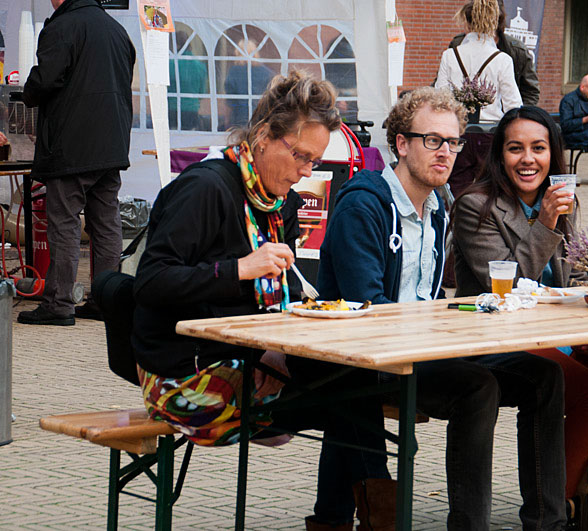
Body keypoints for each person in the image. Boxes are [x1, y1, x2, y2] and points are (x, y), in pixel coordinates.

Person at [132, 71, 392, 530]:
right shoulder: (206, 188)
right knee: (351, 395)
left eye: (314, 160)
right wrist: (239, 269)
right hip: (185, 379)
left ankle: (350, 519)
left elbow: (268, 305)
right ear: (264, 135)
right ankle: (374, 518)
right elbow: (150, 282)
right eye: (302, 156)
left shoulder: (278, 205)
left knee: (354, 384)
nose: (307, 172)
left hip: (244, 361)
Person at [318, 87, 567, 530]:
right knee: (478, 387)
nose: (446, 153)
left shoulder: (436, 207)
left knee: (544, 376)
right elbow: (369, 316)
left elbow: (431, 300)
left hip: (422, 351)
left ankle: (547, 522)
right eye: (433, 140)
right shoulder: (364, 205)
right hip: (369, 359)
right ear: (401, 144)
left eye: (453, 142)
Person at [451, 105, 588, 519]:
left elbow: (574, 277)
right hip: (498, 337)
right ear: (499, 156)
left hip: (557, 333)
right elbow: (504, 286)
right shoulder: (475, 206)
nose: (528, 159)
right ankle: (558, 513)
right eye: (515, 148)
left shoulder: (562, 202)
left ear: (553, 155)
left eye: (539, 148)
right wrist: (544, 221)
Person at [18, 0, 135, 325]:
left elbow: (45, 80)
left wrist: (27, 92)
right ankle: (105, 302)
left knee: (65, 223)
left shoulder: (61, 26)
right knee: (106, 223)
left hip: (73, 145)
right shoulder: (117, 30)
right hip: (111, 144)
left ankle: (59, 304)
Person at [435, 0, 522, 123]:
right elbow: (513, 106)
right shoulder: (503, 59)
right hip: (490, 130)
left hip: (456, 129)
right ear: (493, 23)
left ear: (467, 23)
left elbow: (440, 97)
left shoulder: (449, 55)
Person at [448, 0, 540, 106]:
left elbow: (530, 92)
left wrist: (518, 118)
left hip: (498, 119)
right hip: (459, 116)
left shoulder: (516, 50)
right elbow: (442, 85)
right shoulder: (456, 45)